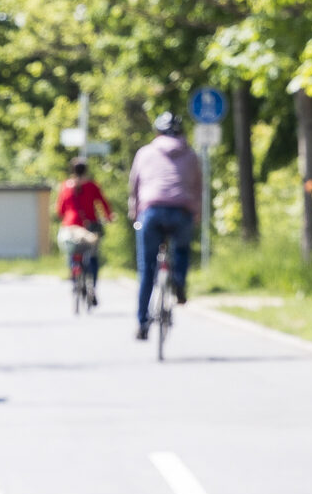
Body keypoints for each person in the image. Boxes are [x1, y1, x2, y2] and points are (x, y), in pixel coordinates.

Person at [128, 111, 203, 340]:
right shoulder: (191, 155)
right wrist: (196, 213)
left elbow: (135, 185)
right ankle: (179, 281)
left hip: (151, 211)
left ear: (157, 132)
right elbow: (198, 187)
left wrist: (135, 211)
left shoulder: (145, 153)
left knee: (146, 270)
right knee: (181, 250)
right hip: (181, 211)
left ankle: (142, 324)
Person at [55, 158, 114, 291]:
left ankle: (74, 276)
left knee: (72, 252)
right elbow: (103, 203)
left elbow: (60, 210)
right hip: (89, 225)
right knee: (92, 255)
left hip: (70, 226)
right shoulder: (92, 185)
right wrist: (108, 216)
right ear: (86, 170)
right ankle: (92, 286)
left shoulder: (65, 186)